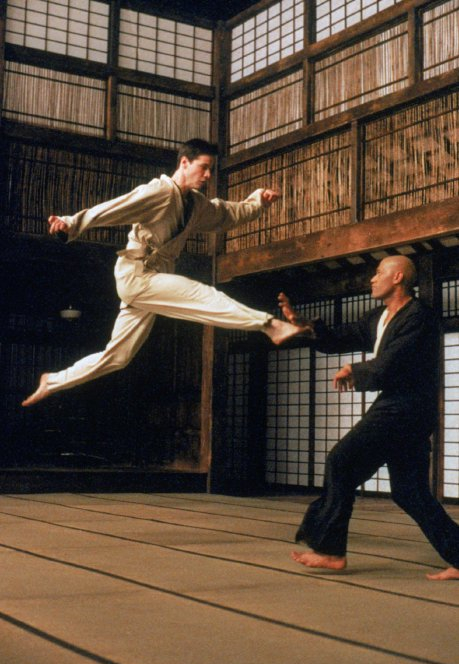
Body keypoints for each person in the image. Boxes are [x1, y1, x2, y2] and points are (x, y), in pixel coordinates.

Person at [22, 138, 307, 407]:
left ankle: (53, 381)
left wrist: (258, 202)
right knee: (201, 295)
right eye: (203, 167)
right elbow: (113, 208)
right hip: (138, 275)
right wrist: (71, 223)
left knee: (118, 357)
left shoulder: (195, 204)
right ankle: (270, 325)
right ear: (184, 163)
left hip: (153, 279)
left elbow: (226, 214)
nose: (208, 175)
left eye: (211, 169)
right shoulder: (159, 192)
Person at [279, 255, 459, 581]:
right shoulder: (380, 317)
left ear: (398, 277)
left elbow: (394, 361)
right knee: (410, 492)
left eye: (378, 273)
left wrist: (356, 370)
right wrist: (303, 324)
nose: (372, 279)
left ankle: (331, 551)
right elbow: (340, 337)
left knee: (341, 461)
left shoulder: (418, 317)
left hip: (406, 407)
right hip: (400, 408)